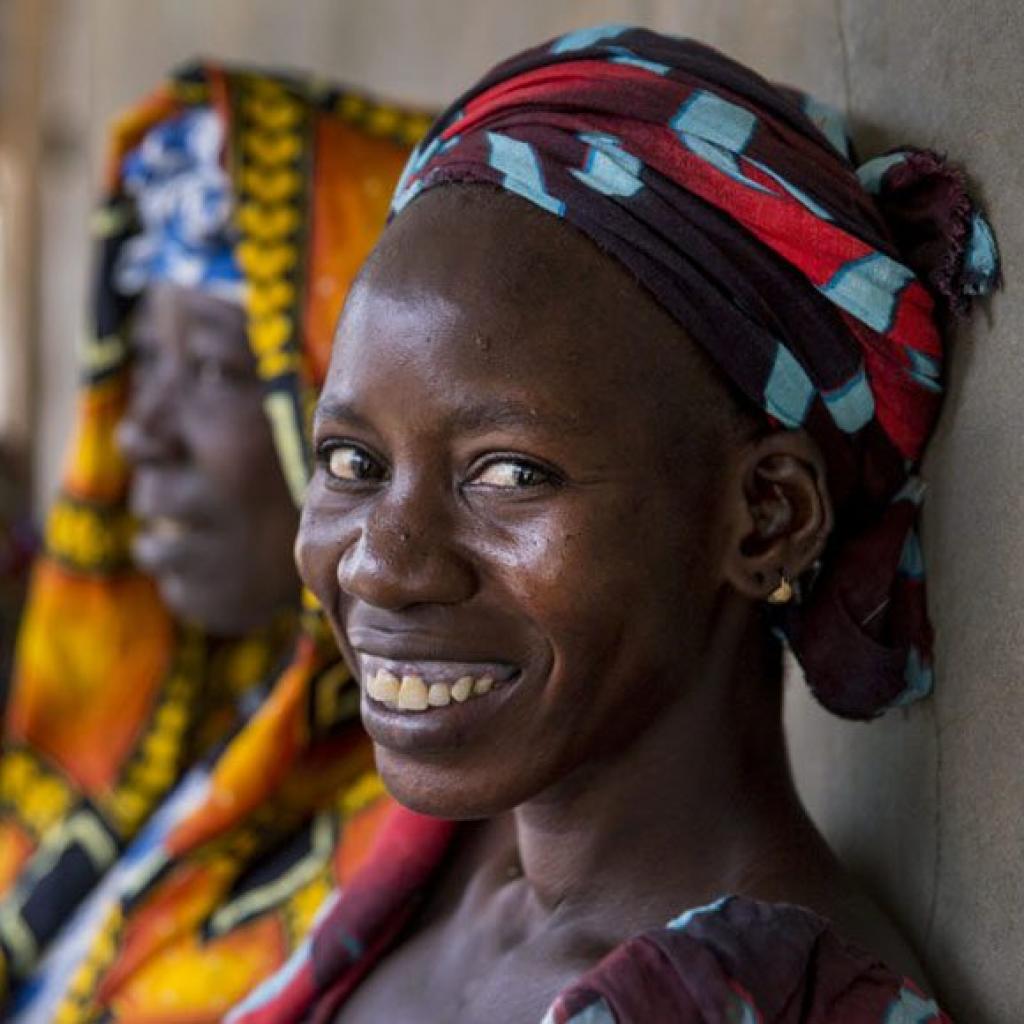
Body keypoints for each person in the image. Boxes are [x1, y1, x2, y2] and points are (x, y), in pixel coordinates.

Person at [227, 26, 999, 1024]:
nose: (382, 563)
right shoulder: (447, 864)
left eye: (506, 473)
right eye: (353, 463)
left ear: (766, 517)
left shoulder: (763, 1005)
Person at [0, 63, 429, 1022]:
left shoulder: (420, 853)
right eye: (144, 357)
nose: (138, 430)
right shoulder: (161, 738)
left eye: (211, 367)